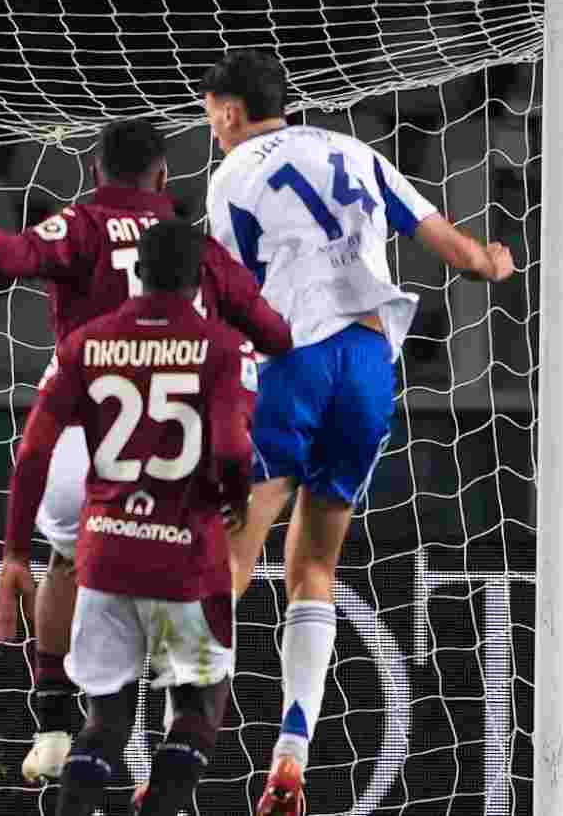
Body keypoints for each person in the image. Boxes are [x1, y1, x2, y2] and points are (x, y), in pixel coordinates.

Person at [0, 117, 290, 781]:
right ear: (164, 177)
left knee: (65, 559)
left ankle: (56, 724)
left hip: (86, 432)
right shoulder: (198, 248)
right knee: (188, 571)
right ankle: (179, 728)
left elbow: (6, 258)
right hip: (179, 446)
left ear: (94, 171)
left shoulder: (80, 224)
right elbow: (275, 335)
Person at [197, 48, 516, 815]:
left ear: (231, 112)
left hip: (295, 362)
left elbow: (231, 294)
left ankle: (178, 740)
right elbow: (458, 251)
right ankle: (292, 752)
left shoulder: (231, 177)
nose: (211, 130)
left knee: (227, 561)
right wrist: (495, 264)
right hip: (371, 365)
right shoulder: (358, 151)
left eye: (211, 116)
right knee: (315, 566)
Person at [0, 220, 258, 816]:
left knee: (105, 718)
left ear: (136, 274)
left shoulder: (86, 342)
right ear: (199, 279)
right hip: (183, 555)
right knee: (198, 704)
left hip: (106, 552)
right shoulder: (225, 346)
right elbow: (232, 447)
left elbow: (34, 453)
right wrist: (237, 498)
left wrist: (15, 550)